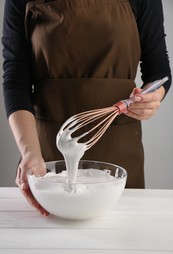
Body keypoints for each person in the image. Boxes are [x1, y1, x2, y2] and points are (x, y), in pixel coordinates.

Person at [2, 0, 172, 216]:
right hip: (44, 154)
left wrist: (152, 96)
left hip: (119, 146)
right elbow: (16, 78)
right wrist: (30, 153)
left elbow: (157, 68)